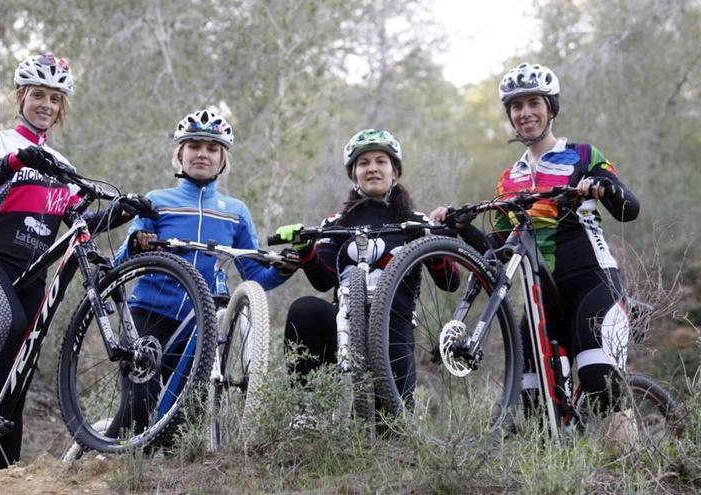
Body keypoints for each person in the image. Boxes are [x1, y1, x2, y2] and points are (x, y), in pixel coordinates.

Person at [0, 53, 144, 470]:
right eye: (38, 95)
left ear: (62, 108)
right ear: (21, 97)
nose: (46, 105)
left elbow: (80, 222)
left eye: (55, 99)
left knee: (23, 361)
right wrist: (21, 159)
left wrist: (125, 211)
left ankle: (6, 468)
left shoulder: (64, 167)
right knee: (9, 323)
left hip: (32, 274)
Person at [431, 62, 641, 418]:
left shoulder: (584, 155)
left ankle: (631, 469)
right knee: (533, 403)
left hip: (592, 283)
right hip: (540, 300)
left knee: (600, 383)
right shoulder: (508, 179)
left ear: (551, 107)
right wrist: (460, 226)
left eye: (533, 103)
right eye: (516, 106)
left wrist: (601, 188)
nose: (525, 113)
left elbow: (629, 209)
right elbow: (495, 255)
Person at [109, 108, 293, 434]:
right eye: (194, 146)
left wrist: (285, 269)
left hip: (200, 326)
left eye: (212, 148)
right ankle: (107, 462)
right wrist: (136, 246)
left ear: (223, 160)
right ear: (180, 154)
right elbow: (120, 266)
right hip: (147, 315)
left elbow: (254, 275)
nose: (202, 154)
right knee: (137, 407)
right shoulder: (156, 201)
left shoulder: (236, 212)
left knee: (183, 425)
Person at [276, 129, 458, 395]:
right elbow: (324, 280)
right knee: (306, 309)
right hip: (344, 326)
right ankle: (306, 409)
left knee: (391, 430)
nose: (372, 168)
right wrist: (306, 250)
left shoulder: (416, 222)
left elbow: (450, 282)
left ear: (395, 171)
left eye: (381, 161)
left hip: (394, 327)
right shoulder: (335, 224)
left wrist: (433, 243)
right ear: (353, 174)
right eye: (363, 163)